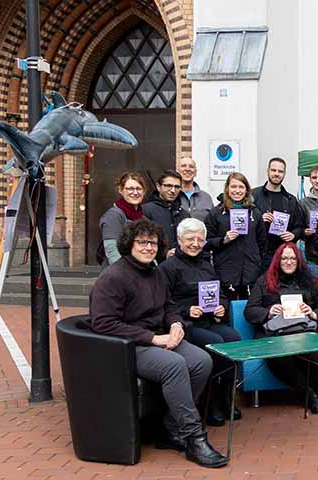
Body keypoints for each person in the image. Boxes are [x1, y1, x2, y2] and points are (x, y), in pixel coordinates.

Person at [89, 219, 227, 468]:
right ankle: (194, 437)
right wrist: (152, 338)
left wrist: (175, 324)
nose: (148, 247)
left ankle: (170, 429)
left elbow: (169, 307)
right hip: (129, 346)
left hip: (161, 337)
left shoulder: (155, 272)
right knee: (174, 365)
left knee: (202, 361)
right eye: (142, 242)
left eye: (152, 243)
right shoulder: (112, 277)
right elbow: (103, 323)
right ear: (129, 244)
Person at [158, 218, 242, 427]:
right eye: (190, 239)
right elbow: (162, 303)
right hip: (186, 325)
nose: (195, 243)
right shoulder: (168, 268)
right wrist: (187, 311)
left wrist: (221, 306)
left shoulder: (207, 266)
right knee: (215, 343)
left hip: (209, 320)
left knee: (233, 338)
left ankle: (227, 397)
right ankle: (211, 403)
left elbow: (220, 293)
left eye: (200, 239)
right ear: (179, 240)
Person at [245, 243, 318, 414]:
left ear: (299, 260)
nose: (288, 262)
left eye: (292, 258)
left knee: (310, 348)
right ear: (278, 261)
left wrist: (313, 313)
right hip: (274, 335)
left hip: (303, 331)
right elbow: (249, 311)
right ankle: (308, 394)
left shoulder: (311, 281)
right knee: (277, 357)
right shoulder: (264, 281)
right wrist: (269, 312)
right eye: (284, 258)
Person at [204, 172, 267, 300]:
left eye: (241, 187)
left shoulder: (255, 213)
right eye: (233, 187)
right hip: (226, 271)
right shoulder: (216, 213)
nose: (237, 191)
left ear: (246, 190)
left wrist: (256, 262)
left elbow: (262, 242)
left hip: (250, 272)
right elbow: (205, 241)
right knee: (227, 310)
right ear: (227, 188)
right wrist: (223, 240)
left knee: (249, 309)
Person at [252, 157, 305, 270]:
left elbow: (300, 226)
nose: (276, 174)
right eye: (273, 170)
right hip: (260, 254)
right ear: (268, 171)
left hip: (284, 255)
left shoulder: (291, 200)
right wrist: (259, 219)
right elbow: (245, 223)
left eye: (280, 171)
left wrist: (293, 235)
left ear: (284, 174)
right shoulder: (254, 195)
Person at [99, 172, 147, 266]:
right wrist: (126, 274)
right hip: (120, 274)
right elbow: (112, 252)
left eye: (139, 189)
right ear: (120, 190)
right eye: (130, 189)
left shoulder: (142, 217)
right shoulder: (113, 216)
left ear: (144, 191)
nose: (135, 192)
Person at [142, 169, 188, 258]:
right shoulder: (146, 210)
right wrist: (164, 254)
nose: (173, 190)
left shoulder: (184, 214)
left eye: (177, 187)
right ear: (158, 187)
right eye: (168, 186)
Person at [176, 157, 214, 221]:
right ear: (177, 171)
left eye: (191, 166)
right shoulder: (172, 195)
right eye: (183, 166)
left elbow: (212, 223)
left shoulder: (206, 198)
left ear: (195, 172)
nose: (187, 169)